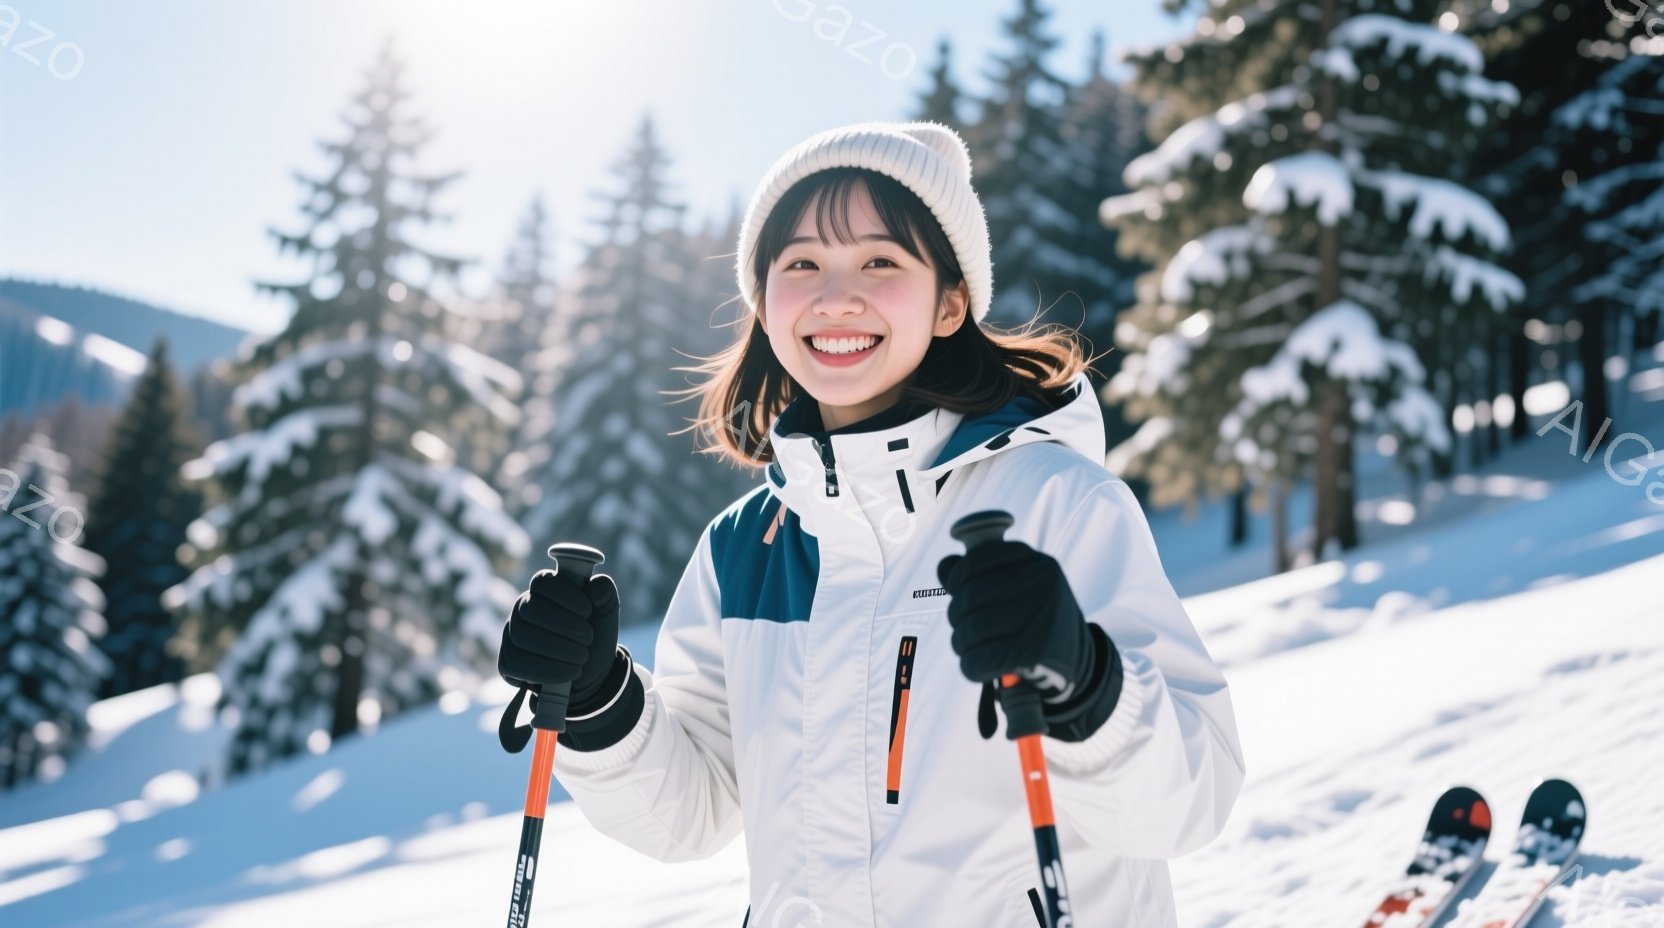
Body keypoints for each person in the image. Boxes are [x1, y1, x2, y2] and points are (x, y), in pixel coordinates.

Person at [497, 120, 1245, 927]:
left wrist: (1085, 679)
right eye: (802, 264)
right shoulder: (744, 549)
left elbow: (1191, 800)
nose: (834, 295)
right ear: (765, 300)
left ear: (951, 300)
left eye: (881, 260)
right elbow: (692, 812)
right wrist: (599, 699)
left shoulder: (1055, 503)